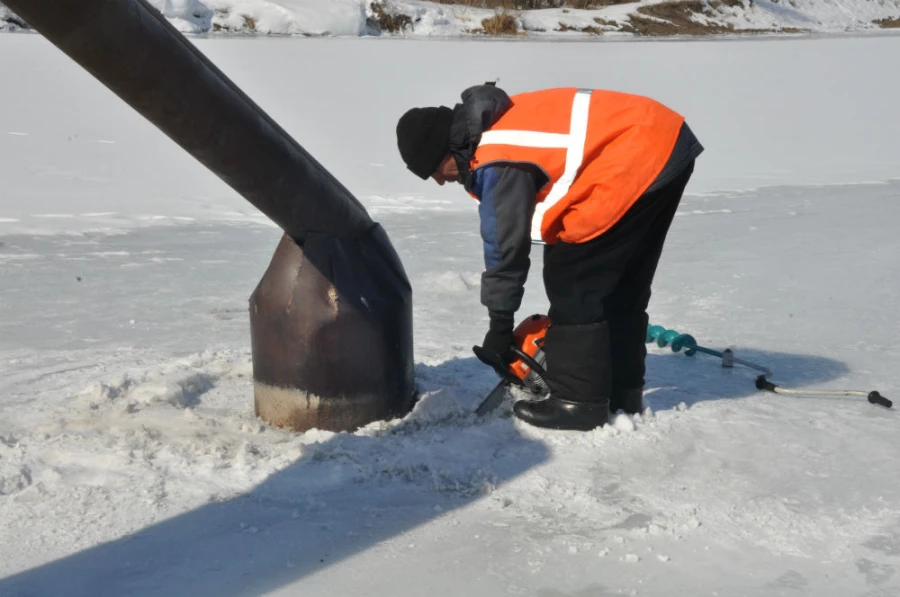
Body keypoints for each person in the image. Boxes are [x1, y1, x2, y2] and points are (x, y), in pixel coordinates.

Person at [396, 84, 703, 431]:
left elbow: (504, 249)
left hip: (637, 153)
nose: (438, 182)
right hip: (665, 142)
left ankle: (579, 402)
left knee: (572, 276)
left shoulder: (495, 156)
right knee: (622, 284)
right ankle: (622, 392)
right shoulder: (496, 125)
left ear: (445, 150)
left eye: (433, 170)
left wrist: (500, 327)